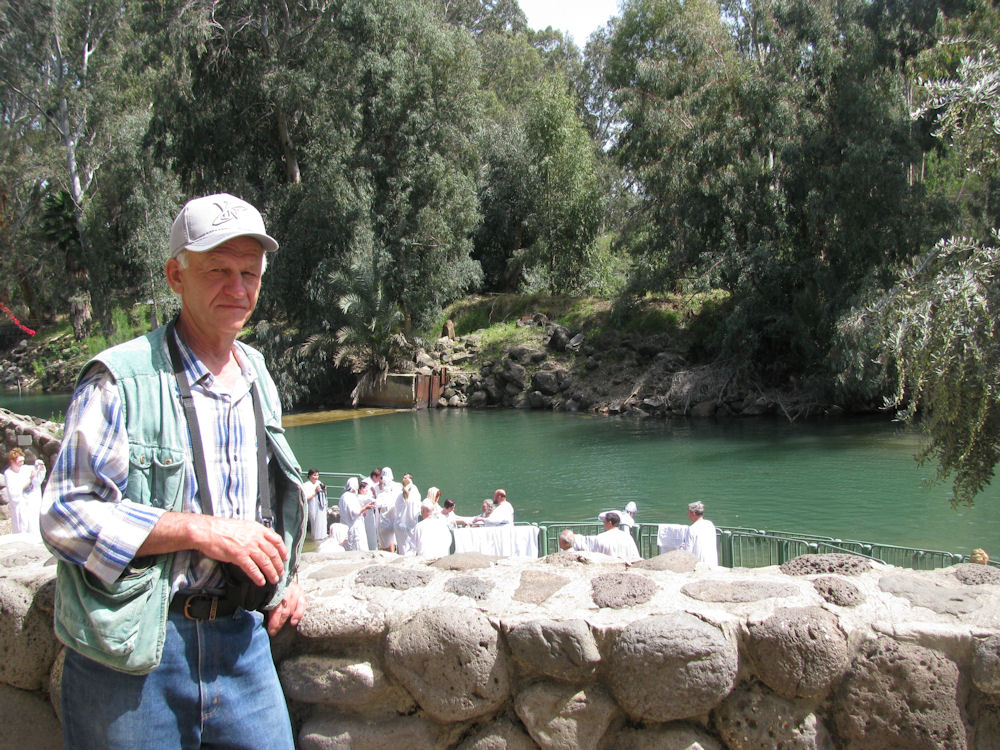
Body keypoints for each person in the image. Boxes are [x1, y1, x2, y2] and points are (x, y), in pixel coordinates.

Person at [39, 193, 306, 749]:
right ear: (175, 276)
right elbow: (65, 514)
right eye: (218, 271)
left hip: (243, 645)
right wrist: (198, 530)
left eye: (249, 274)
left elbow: (267, 501)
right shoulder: (120, 379)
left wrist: (286, 578)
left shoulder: (257, 373)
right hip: (133, 657)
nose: (237, 289)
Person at [4, 448, 45, 536]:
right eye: (19, 461)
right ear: (12, 461)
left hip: (31, 503)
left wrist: (40, 467)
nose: (22, 463)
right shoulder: (9, 474)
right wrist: (30, 479)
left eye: (23, 461)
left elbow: (37, 478)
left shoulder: (25, 469)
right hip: (20, 506)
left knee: (34, 526)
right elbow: (15, 492)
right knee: (22, 528)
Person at [339, 477, 374, 551]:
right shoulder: (350, 497)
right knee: (358, 546)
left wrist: (361, 512)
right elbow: (355, 512)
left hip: (346, 524)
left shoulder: (344, 496)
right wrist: (365, 507)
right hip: (354, 526)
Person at [683, 500, 718, 566]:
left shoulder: (692, 529)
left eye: (689, 513)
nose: (688, 515)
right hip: (713, 563)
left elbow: (688, 552)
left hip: (699, 565)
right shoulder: (710, 524)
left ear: (694, 513)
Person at [393, 474, 422, 554]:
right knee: (410, 551)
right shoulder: (414, 497)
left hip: (399, 526)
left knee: (402, 550)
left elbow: (396, 509)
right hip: (410, 527)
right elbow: (417, 511)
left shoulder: (399, 496)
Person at [375, 467, 400, 551]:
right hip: (394, 522)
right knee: (392, 542)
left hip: (384, 523)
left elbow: (379, 509)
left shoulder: (381, 496)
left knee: (386, 547)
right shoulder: (398, 487)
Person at [302, 468, 328, 541]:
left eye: (317, 475)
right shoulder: (306, 485)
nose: (316, 477)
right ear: (310, 476)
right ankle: (315, 539)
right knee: (315, 524)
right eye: (314, 475)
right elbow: (306, 499)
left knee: (323, 522)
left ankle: (323, 537)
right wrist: (315, 492)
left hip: (321, 507)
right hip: (312, 508)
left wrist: (324, 490)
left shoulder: (319, 483)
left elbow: (325, 495)